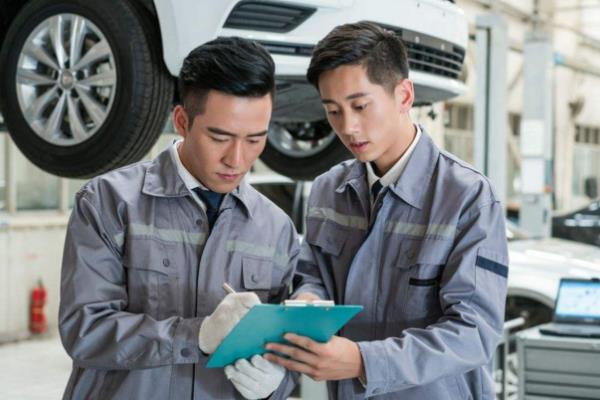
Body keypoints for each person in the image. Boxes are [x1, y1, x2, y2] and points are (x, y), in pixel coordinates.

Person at [264, 21, 509, 399]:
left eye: (361, 106)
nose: (348, 126)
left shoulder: (467, 197)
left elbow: (474, 332)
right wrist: (308, 301)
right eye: (333, 111)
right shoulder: (329, 190)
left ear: (404, 95)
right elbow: (311, 274)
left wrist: (363, 361)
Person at [59, 37, 299, 400]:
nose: (237, 159)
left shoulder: (277, 229)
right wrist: (197, 335)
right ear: (182, 121)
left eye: (254, 140)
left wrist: (277, 384)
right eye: (220, 137)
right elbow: (85, 330)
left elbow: (287, 346)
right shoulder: (109, 202)